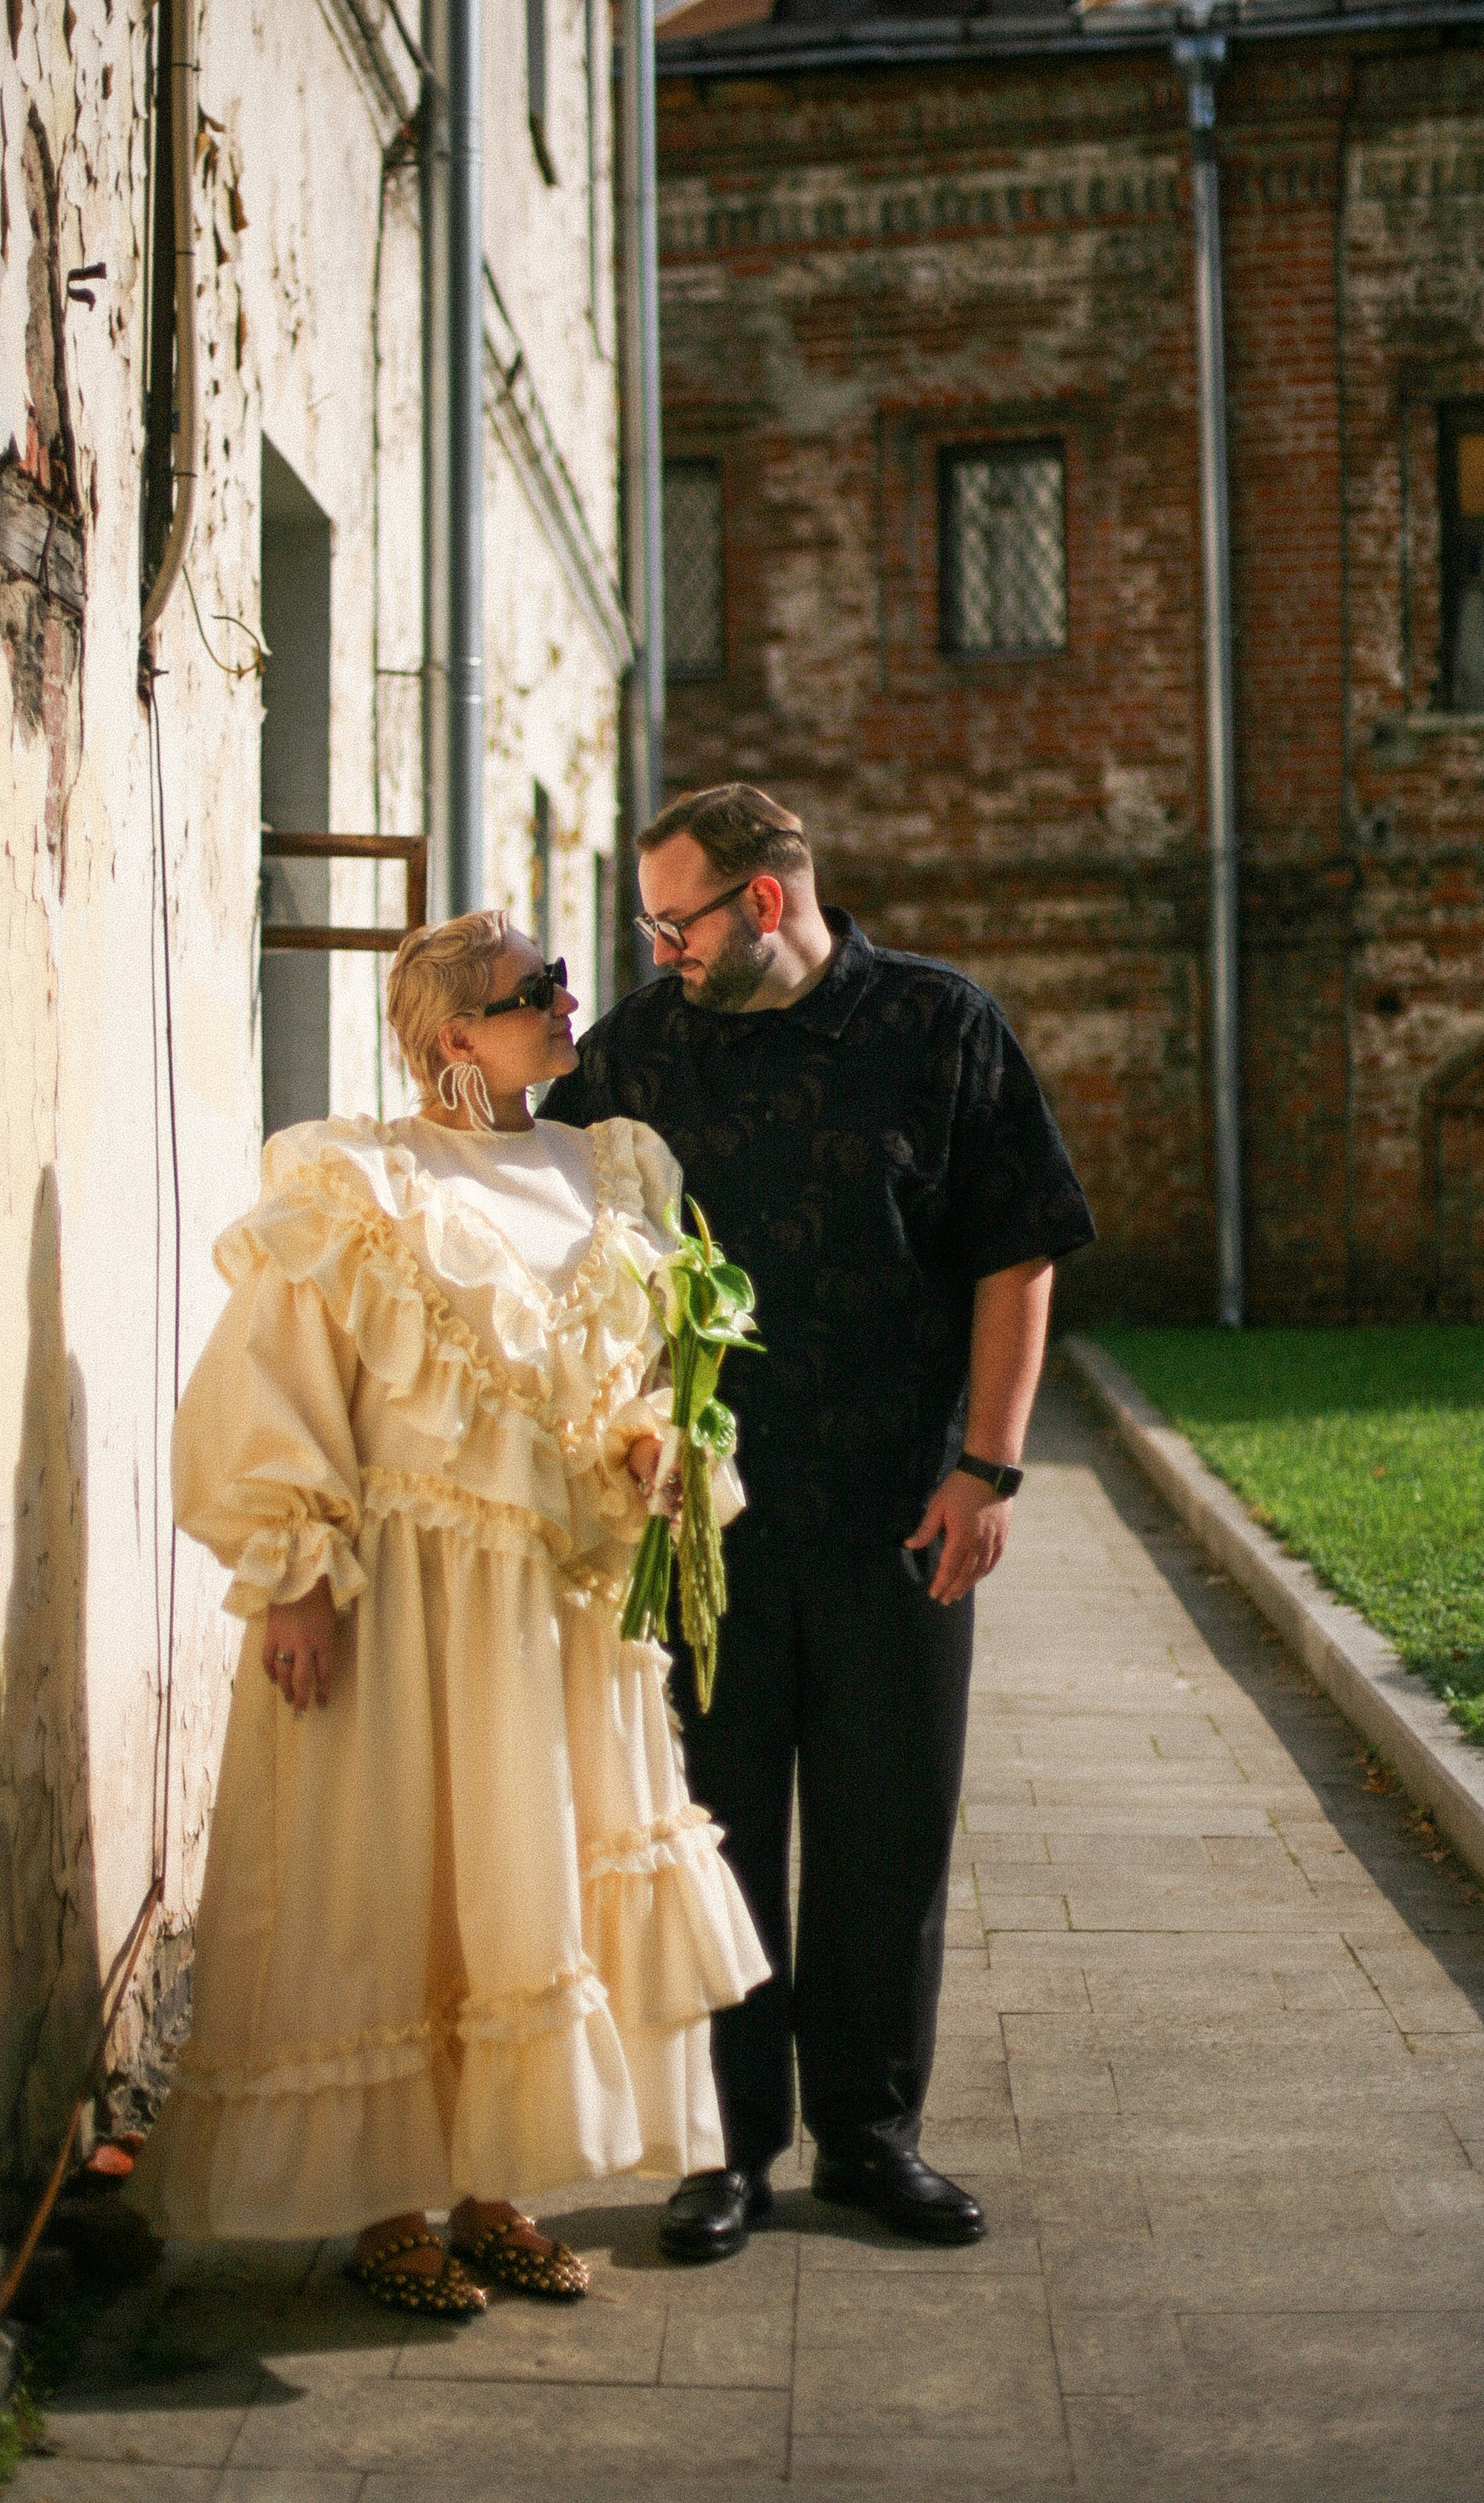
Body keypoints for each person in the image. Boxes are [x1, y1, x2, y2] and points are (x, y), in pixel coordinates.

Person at [129, 910, 768, 2314]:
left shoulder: (611, 1168)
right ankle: (388, 2208)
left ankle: (499, 2188)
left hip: (555, 1601)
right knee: (395, 1876)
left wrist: (660, 1444)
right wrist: (295, 1578)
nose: (563, 999)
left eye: (557, 979)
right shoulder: (359, 1182)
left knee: (524, 1874)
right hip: (405, 1594)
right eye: (528, 990)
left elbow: (642, 1370)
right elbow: (277, 1378)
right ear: (449, 1037)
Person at [543, 786, 1096, 2258]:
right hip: (696, 1531)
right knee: (705, 1834)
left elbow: (1015, 1245)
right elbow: (544, 1234)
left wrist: (985, 1468)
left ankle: (868, 2137)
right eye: (648, 924)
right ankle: (721, 2151)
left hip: (897, 1513)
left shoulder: (937, 1027)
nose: (656, 948)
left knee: (884, 1830)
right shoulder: (636, 1053)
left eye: (677, 922)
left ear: (764, 905)